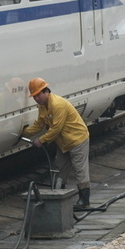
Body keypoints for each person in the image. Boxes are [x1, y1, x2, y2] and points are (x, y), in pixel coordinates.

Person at [22, 78, 91, 209]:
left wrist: (41, 140)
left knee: (80, 170)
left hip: (77, 139)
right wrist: (24, 133)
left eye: (38, 95)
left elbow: (56, 129)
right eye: (34, 96)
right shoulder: (43, 106)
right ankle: (60, 198)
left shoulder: (58, 104)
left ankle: (84, 200)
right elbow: (39, 124)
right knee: (60, 168)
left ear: (45, 91)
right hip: (64, 142)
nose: (36, 98)